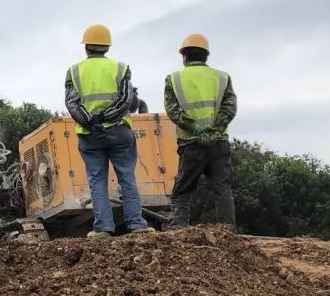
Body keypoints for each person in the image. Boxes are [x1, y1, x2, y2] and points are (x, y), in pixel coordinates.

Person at [64, 24, 152, 238]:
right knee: (126, 177)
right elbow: (125, 100)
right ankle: (137, 225)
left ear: (86, 47)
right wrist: (106, 118)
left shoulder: (74, 71)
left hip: (89, 134)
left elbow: (72, 104)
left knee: (96, 180)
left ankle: (103, 227)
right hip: (118, 131)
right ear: (107, 48)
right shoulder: (121, 68)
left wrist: (92, 122)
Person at [163, 33, 237, 229]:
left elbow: (173, 110)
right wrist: (214, 131)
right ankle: (228, 234)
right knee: (223, 189)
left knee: (182, 191)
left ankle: (178, 233)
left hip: (190, 144)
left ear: (184, 56)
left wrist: (196, 129)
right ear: (206, 56)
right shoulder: (222, 77)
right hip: (219, 143)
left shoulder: (173, 79)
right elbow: (229, 108)